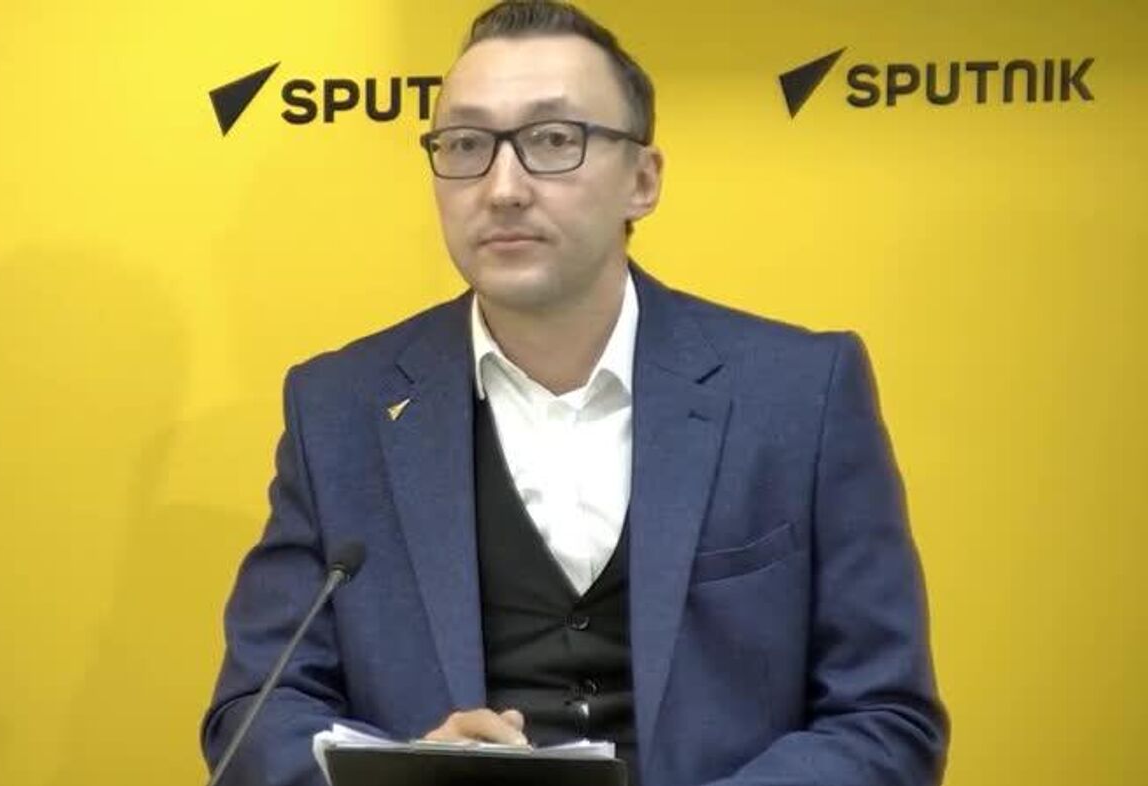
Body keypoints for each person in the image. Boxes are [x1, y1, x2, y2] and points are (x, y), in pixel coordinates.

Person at [201, 2, 949, 785]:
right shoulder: (340, 409)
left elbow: (885, 717)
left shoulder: (799, 393)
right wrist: (406, 772)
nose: (503, 188)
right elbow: (257, 711)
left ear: (643, 180)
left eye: (554, 140)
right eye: (466, 145)